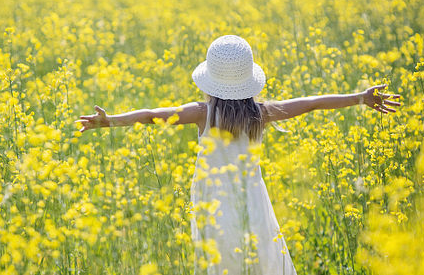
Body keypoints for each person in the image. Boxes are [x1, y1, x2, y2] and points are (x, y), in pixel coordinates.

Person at [76, 35, 401, 275]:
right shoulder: (262, 112)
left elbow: (151, 115)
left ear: (210, 81)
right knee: (258, 261)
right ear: (248, 81)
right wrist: (360, 97)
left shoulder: (202, 113)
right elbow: (312, 102)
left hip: (213, 203)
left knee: (221, 264)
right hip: (252, 203)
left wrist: (110, 121)